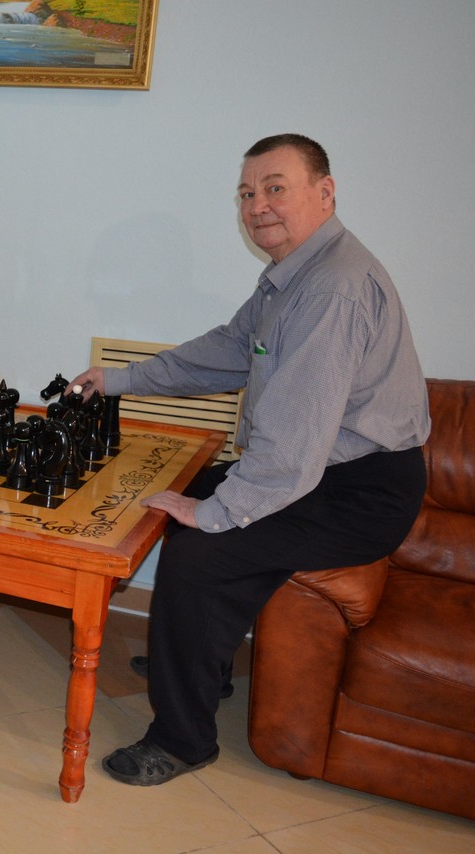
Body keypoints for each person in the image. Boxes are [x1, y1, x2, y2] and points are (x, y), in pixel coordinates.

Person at [70, 134, 430, 786]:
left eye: (275, 188)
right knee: (191, 494)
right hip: (325, 470)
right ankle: (198, 665)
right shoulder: (290, 277)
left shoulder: (332, 289)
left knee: (202, 550)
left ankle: (182, 740)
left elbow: (293, 446)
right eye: (246, 192)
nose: (257, 205)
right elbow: (229, 350)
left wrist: (214, 513)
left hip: (360, 492)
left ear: (325, 193)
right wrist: (120, 379)